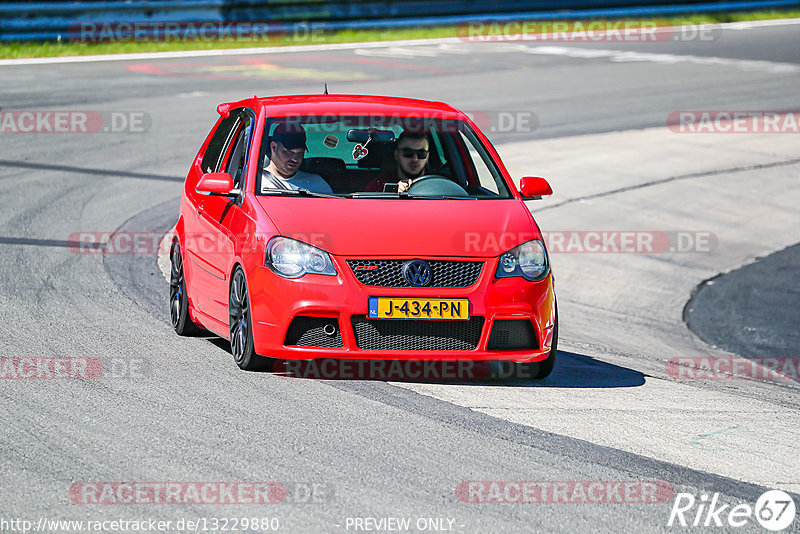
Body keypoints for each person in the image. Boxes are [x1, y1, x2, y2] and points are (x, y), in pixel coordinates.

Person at [262, 123, 333, 194]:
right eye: (289, 152)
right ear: (273, 147)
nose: (295, 159)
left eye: (300, 153)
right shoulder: (257, 183)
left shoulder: (318, 184)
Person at [365, 131, 430, 193]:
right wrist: (393, 193)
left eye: (421, 154)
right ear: (396, 155)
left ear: (427, 156)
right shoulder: (378, 186)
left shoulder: (436, 185)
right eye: (408, 152)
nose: (415, 159)